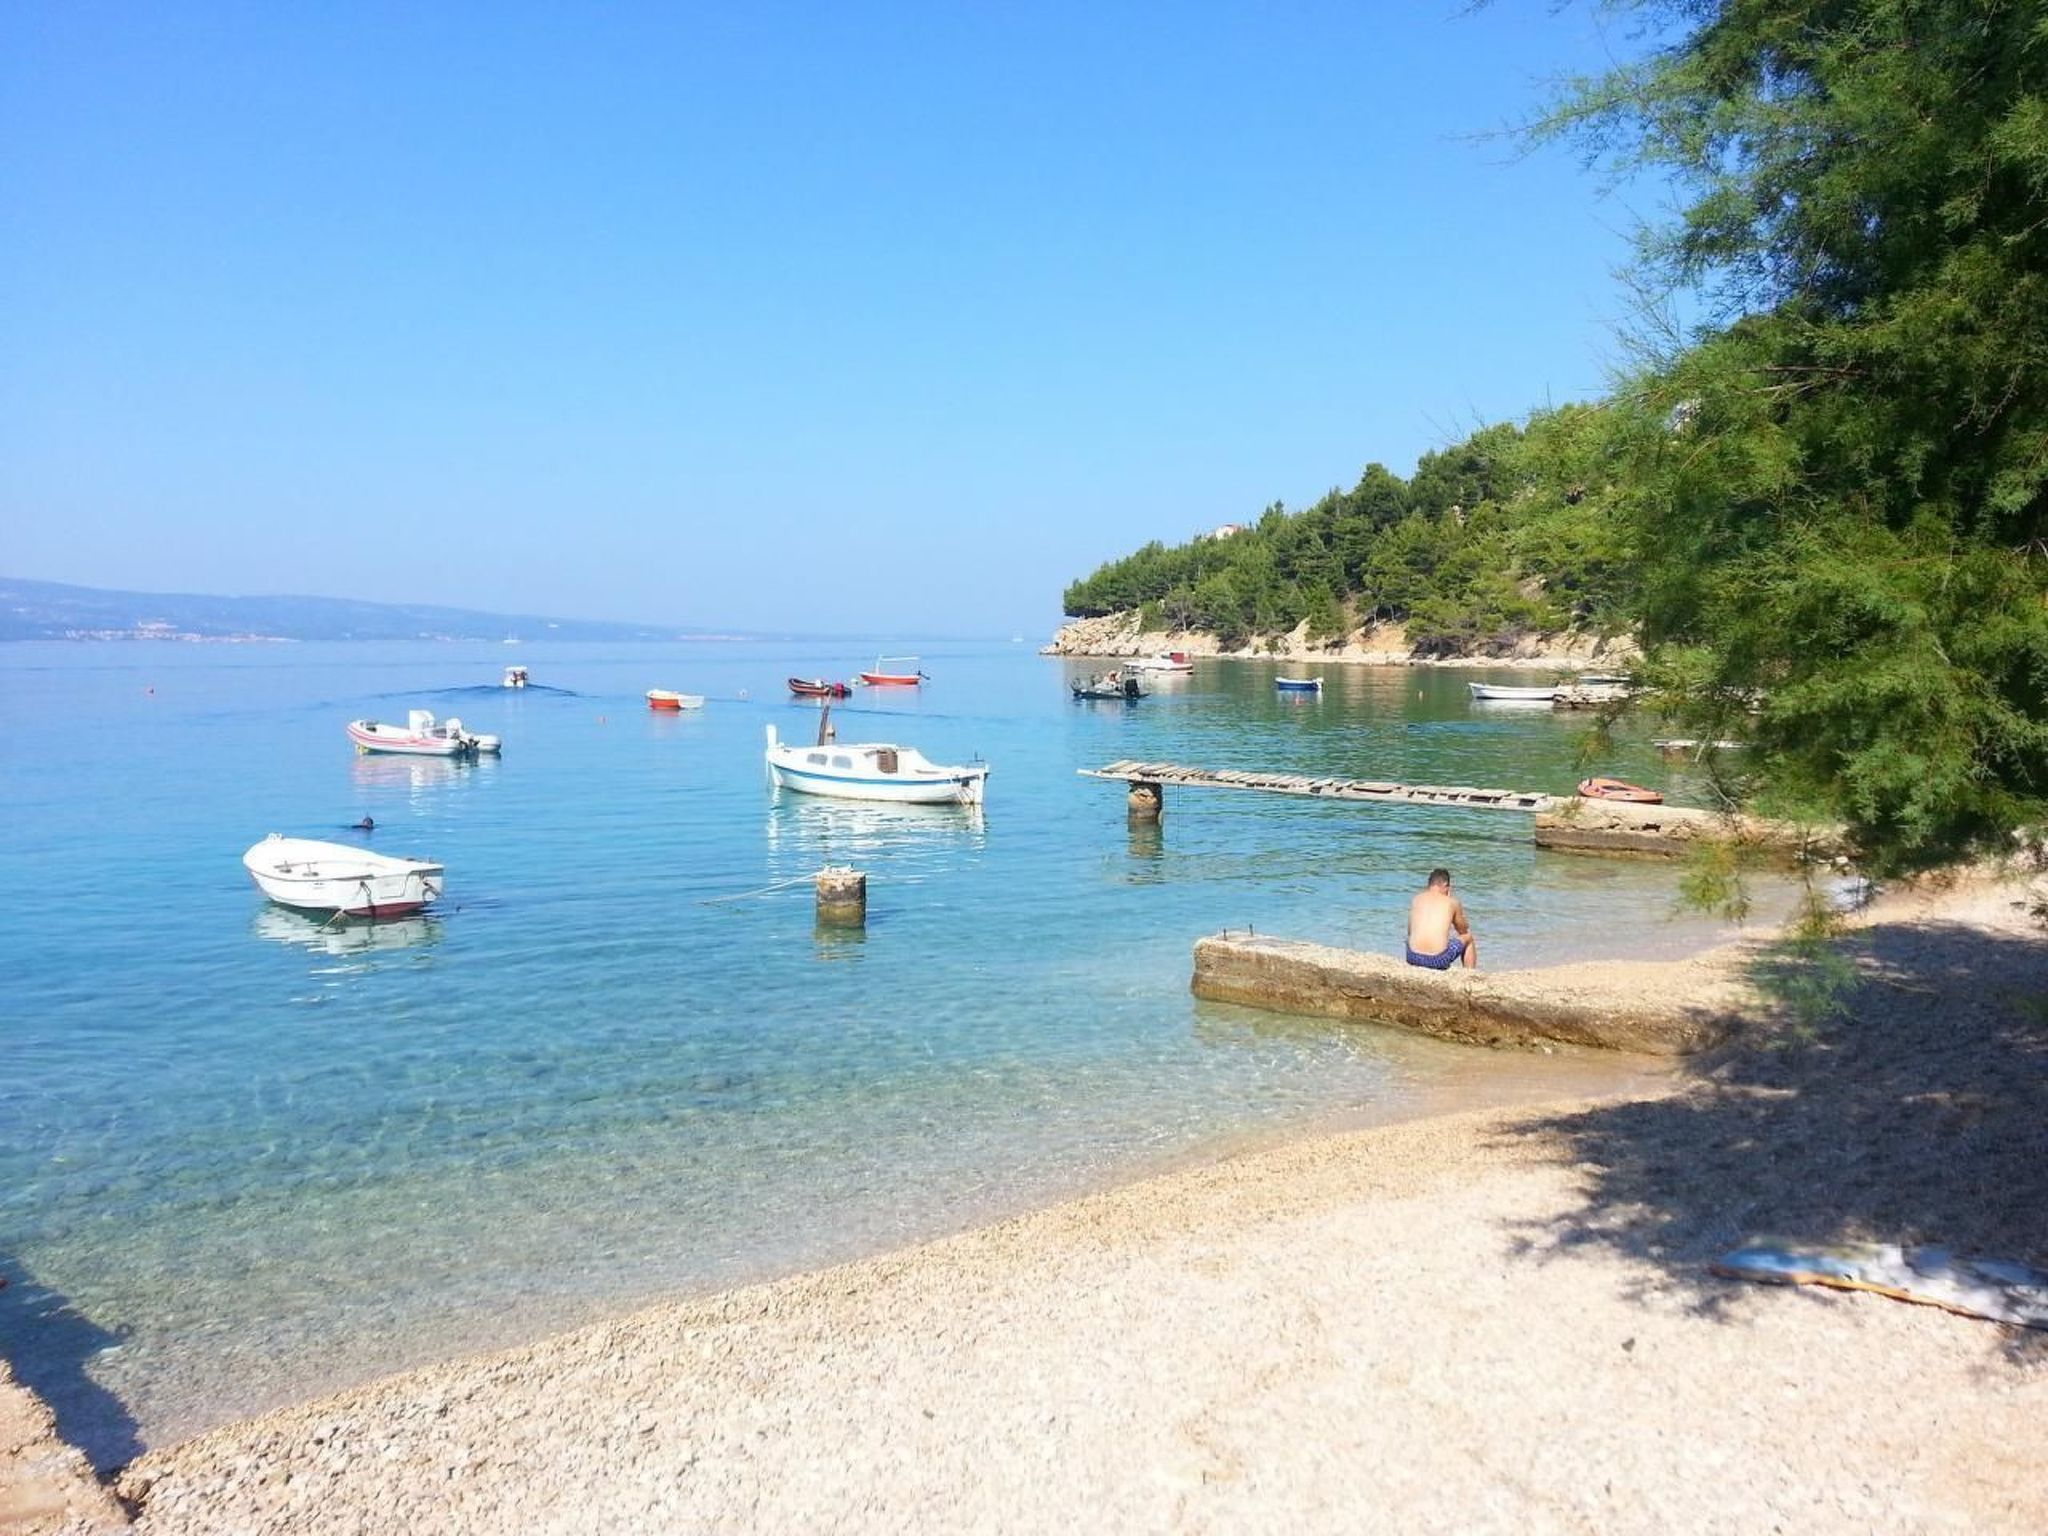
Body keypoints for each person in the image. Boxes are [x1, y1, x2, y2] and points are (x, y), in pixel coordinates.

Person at [1406, 867, 1477, 970]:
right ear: (1445, 886)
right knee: (1468, 938)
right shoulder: (1452, 902)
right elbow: (1463, 930)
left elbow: (1410, 932)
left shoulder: (1416, 899)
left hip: (1413, 957)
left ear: (1429, 885)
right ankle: (1469, 975)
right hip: (1437, 959)